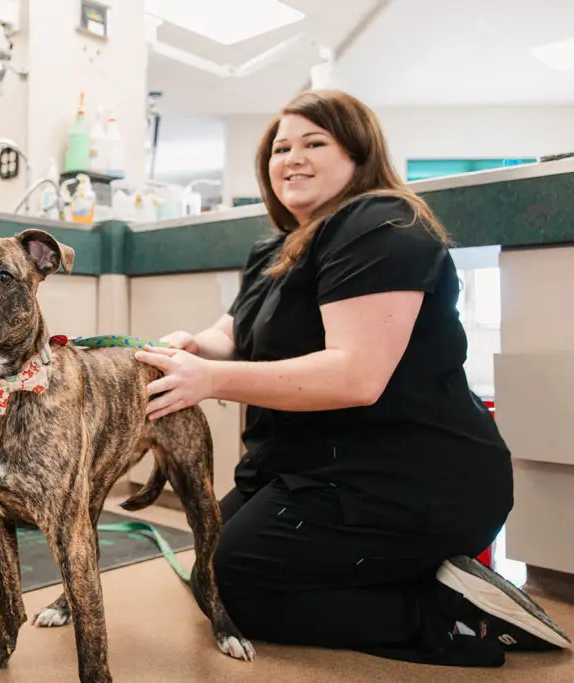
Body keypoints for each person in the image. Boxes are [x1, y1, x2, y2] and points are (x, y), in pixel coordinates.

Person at [135, 90, 571, 666]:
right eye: (280, 147)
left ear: (359, 154)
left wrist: (209, 379)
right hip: (318, 466)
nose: (292, 157)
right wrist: (195, 346)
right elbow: (234, 331)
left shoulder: (381, 227)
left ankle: (449, 612)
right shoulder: (276, 248)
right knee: (210, 571)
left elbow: (356, 376)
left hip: (411, 477)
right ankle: (428, 578)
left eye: (315, 142)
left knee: (237, 585)